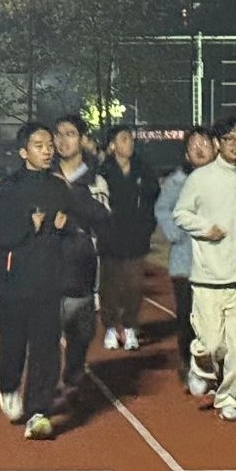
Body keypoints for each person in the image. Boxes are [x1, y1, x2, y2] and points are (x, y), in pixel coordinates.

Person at [173, 117, 236, 421]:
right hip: (208, 276)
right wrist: (206, 228)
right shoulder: (201, 178)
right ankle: (201, 366)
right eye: (229, 139)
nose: (235, 144)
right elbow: (181, 213)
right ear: (218, 144)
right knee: (211, 344)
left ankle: (230, 399)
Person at [0, 122, 73, 440]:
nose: (47, 151)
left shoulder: (59, 188)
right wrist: (26, 226)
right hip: (15, 283)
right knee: (13, 343)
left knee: (46, 347)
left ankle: (38, 410)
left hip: (49, 281)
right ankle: (8, 386)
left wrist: (65, 227)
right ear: (24, 152)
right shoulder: (5, 190)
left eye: (50, 145)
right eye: (39, 145)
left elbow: (71, 231)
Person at [52, 115, 111, 395]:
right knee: (44, 336)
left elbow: (102, 217)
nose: (63, 140)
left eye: (70, 134)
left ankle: (73, 372)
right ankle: (44, 388)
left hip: (81, 267)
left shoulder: (95, 180)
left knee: (80, 335)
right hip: (46, 267)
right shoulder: (42, 175)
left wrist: (69, 195)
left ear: (82, 139)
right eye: (58, 134)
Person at [155, 126, 218, 384]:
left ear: (215, 148)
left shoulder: (225, 180)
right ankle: (188, 364)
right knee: (188, 318)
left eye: (204, 143)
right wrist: (176, 234)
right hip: (185, 263)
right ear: (186, 154)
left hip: (217, 264)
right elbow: (162, 209)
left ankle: (212, 365)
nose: (199, 149)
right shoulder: (177, 182)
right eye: (193, 145)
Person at [97, 125, 159, 351]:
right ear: (112, 145)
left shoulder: (143, 169)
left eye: (131, 139)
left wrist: (147, 227)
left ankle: (130, 326)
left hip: (135, 238)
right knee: (110, 286)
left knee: (134, 285)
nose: (129, 143)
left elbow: (152, 198)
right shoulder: (102, 172)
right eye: (124, 139)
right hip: (110, 238)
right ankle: (111, 327)